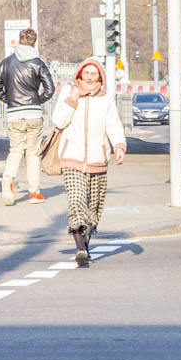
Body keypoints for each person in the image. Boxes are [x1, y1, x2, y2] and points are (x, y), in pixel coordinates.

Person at [51, 58, 126, 267]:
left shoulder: (106, 100)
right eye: (87, 73)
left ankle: (85, 241)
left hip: (97, 161)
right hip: (71, 159)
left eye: (94, 73)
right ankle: (80, 249)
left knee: (93, 210)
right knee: (76, 202)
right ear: (80, 74)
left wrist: (119, 145)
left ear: (100, 77)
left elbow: (114, 125)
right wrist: (73, 98)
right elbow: (58, 121)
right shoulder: (69, 92)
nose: (90, 77)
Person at [0, 28, 56, 206]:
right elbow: (50, 89)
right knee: (33, 153)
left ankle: (8, 178)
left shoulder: (6, 62)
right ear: (34, 43)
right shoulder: (38, 63)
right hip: (33, 114)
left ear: (19, 41)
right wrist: (37, 101)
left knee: (16, 150)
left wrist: (9, 100)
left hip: (14, 114)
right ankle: (34, 193)